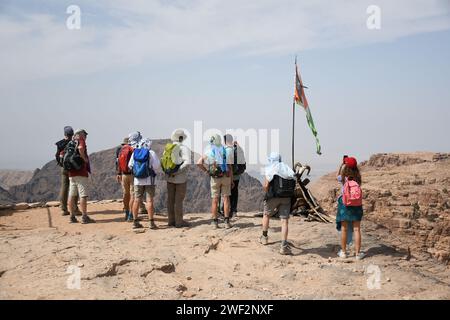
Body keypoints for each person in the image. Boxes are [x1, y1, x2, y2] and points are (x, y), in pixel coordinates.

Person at [260, 152, 296, 255]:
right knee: (284, 221)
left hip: (273, 196)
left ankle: (264, 237)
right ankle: (283, 246)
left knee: (266, 215)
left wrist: (267, 193)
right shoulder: (286, 168)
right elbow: (294, 179)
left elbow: (266, 185)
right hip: (286, 197)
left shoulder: (270, 168)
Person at [197, 134, 233, 229]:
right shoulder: (225, 150)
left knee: (215, 200)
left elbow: (199, 163)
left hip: (215, 178)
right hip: (226, 177)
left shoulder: (208, 151)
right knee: (226, 199)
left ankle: (215, 222)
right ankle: (226, 222)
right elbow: (229, 167)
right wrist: (231, 180)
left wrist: (207, 171)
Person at [336, 156, 365, 260]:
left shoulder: (343, 178)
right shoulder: (358, 178)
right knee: (357, 229)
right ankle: (357, 254)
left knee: (344, 229)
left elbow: (337, 176)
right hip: (356, 205)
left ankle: (343, 253)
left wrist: (341, 164)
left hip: (344, 204)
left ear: (346, 166)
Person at [128, 138, 161, 230]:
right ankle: (151, 222)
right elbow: (157, 166)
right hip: (149, 180)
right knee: (149, 200)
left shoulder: (135, 152)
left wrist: (138, 171)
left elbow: (130, 165)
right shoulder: (151, 153)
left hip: (137, 181)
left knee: (136, 200)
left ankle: (135, 221)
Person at [162, 129, 191, 228]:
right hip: (180, 179)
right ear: (182, 138)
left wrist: (169, 172)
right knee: (178, 200)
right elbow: (187, 162)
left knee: (170, 200)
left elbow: (163, 161)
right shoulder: (183, 148)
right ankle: (179, 222)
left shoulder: (168, 148)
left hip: (169, 177)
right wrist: (178, 171)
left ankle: (171, 221)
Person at [68, 129, 95, 224]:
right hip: (80, 172)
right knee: (83, 195)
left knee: (72, 195)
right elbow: (80, 149)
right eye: (85, 134)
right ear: (80, 134)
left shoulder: (71, 142)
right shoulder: (81, 140)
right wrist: (84, 159)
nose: (86, 136)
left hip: (71, 172)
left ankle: (72, 216)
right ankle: (84, 217)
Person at [55, 126, 80, 216]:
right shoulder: (74, 143)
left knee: (64, 188)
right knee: (75, 188)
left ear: (64, 134)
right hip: (73, 168)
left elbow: (57, 155)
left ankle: (64, 209)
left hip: (64, 168)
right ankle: (75, 208)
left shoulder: (60, 144)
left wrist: (61, 164)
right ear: (72, 134)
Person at [223, 134, 246, 217]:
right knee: (235, 191)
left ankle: (225, 210)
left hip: (228, 174)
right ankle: (234, 210)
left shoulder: (226, 149)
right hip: (237, 174)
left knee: (226, 193)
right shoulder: (238, 148)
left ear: (225, 140)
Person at [116, 137, 135, 222]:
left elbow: (118, 163)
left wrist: (118, 173)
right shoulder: (132, 149)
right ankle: (131, 214)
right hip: (132, 175)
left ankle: (126, 212)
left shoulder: (120, 151)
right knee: (132, 194)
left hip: (123, 175)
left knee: (125, 194)